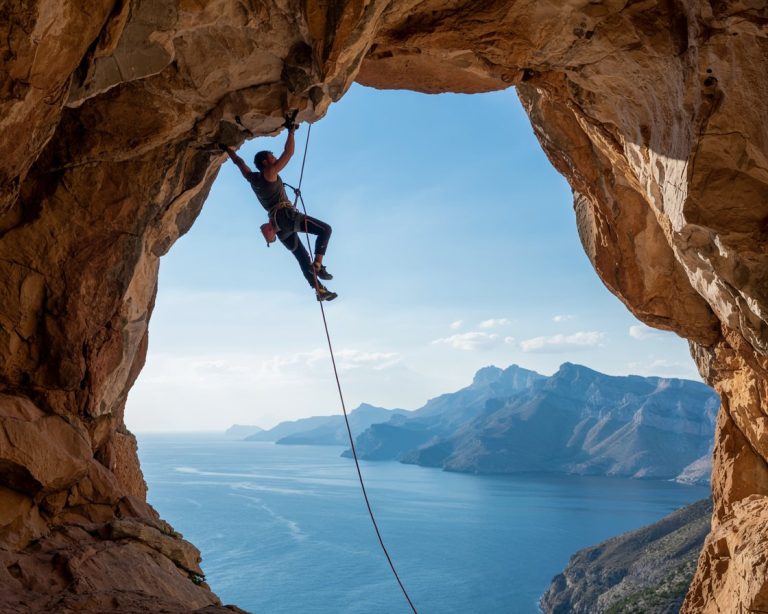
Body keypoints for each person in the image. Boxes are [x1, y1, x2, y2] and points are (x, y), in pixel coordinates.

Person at [221, 122, 338, 301]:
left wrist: (228, 150)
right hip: (286, 217)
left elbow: (239, 163)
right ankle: (318, 265)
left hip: (279, 226)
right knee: (325, 230)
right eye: (272, 156)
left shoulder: (252, 178)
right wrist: (291, 132)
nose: (275, 157)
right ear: (265, 162)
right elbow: (288, 153)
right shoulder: (269, 172)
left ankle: (319, 290)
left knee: (301, 257)